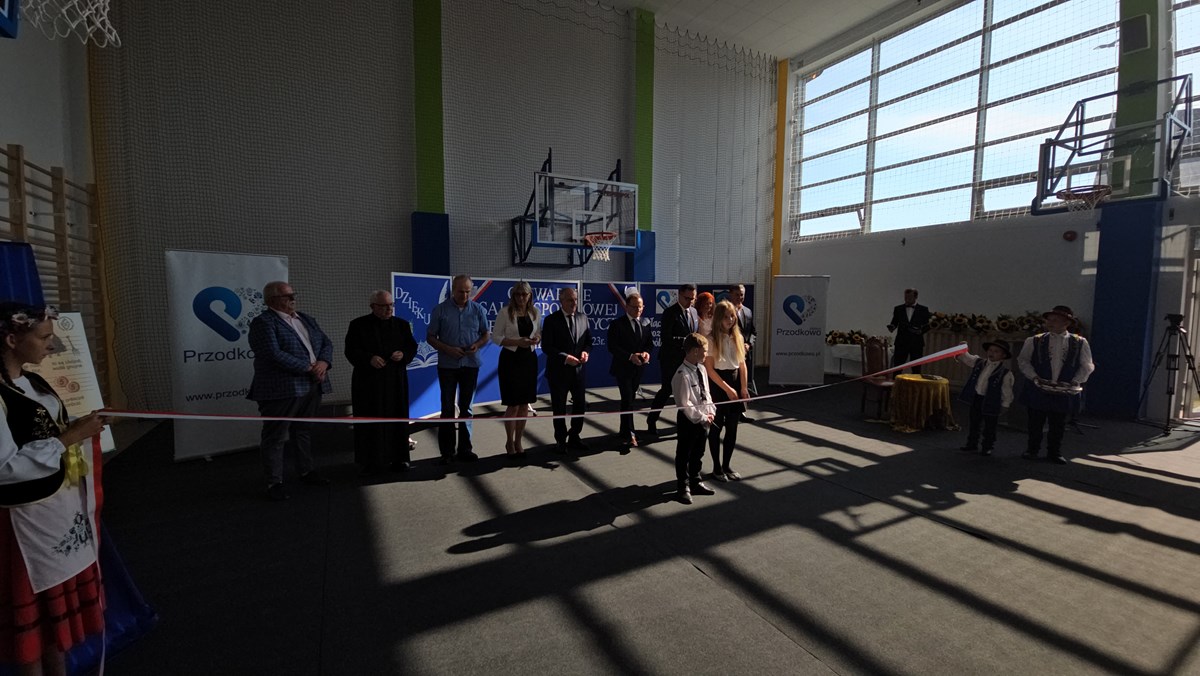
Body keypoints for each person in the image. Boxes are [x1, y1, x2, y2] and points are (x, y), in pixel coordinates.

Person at [0, 302, 108, 675]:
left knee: (50, 623)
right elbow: (4, 468)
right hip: (23, 523)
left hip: (55, 512)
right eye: (44, 337)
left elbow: (44, 428)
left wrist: (82, 425)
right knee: (31, 625)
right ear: (12, 340)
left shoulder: (34, 382)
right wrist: (69, 438)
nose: (52, 345)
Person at [247, 281, 334, 501]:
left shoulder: (306, 318)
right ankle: (274, 482)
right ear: (271, 300)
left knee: (303, 430)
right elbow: (272, 353)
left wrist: (323, 363)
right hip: (282, 389)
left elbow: (326, 343)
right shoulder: (263, 322)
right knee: (275, 436)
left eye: (293, 294)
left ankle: (306, 471)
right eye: (287, 296)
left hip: (312, 385)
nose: (293, 299)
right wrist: (309, 368)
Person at [344, 290, 418, 474]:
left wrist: (403, 354)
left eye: (391, 305)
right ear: (373, 307)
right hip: (368, 381)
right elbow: (351, 350)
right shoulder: (358, 325)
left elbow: (411, 347)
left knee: (397, 418)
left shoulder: (402, 325)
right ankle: (369, 461)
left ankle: (399, 458)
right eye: (384, 306)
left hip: (395, 380)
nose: (389, 309)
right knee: (370, 420)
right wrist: (369, 358)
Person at [1017, 305, 1095, 464]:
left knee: (1058, 423)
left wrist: (1076, 380)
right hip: (1039, 387)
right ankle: (1032, 449)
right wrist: (1034, 377)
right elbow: (1023, 361)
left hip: (1063, 390)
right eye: (1049, 320)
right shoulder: (1034, 340)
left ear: (1066, 323)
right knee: (1035, 422)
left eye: (1055, 320)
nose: (1050, 323)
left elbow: (1087, 365)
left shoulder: (1079, 342)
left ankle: (1054, 452)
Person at [426, 274, 490, 464]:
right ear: (453, 290)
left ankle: (465, 449)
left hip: (471, 364)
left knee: (466, 408)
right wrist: (447, 349)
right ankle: (447, 452)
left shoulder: (478, 310)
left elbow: (486, 334)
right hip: (448, 365)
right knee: (447, 408)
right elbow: (430, 337)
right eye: (461, 291)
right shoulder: (440, 310)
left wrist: (477, 345)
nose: (464, 295)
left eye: (468, 292)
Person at [492, 281, 541, 460]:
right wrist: (517, 342)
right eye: (518, 294)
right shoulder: (505, 312)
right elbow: (496, 337)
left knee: (524, 404)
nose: (521, 298)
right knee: (513, 405)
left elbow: (538, 332)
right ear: (513, 296)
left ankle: (519, 441)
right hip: (510, 360)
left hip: (529, 360)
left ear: (529, 296)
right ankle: (509, 442)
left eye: (524, 294)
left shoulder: (535, 312)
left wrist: (537, 338)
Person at [540, 286, 591, 456]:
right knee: (559, 408)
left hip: (578, 372)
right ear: (561, 301)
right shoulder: (551, 320)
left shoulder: (583, 318)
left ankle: (574, 436)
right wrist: (564, 357)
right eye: (570, 300)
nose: (573, 303)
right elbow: (547, 347)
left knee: (580, 406)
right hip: (558, 373)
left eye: (575, 299)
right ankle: (560, 440)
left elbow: (588, 342)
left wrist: (585, 352)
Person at [705, 300, 750, 482]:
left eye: (732, 316)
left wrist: (743, 387)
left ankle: (727, 465)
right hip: (718, 385)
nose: (730, 320)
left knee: (732, 428)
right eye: (726, 317)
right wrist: (727, 388)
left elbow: (742, 365)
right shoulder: (711, 339)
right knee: (716, 428)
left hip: (735, 381)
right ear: (718, 318)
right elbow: (709, 370)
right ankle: (716, 467)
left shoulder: (738, 337)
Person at [646, 283, 697, 436]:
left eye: (692, 299)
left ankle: (687, 422)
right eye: (687, 298)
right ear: (679, 295)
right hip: (671, 359)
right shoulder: (670, 313)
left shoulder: (694, 312)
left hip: (688, 360)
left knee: (688, 391)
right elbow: (665, 338)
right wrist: (686, 341)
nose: (690, 301)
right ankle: (652, 420)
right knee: (667, 390)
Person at [672, 333, 716, 505]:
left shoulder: (702, 369)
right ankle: (683, 487)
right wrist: (702, 416)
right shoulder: (682, 374)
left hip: (704, 419)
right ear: (695, 351)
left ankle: (695, 481)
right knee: (684, 453)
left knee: (699, 452)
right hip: (689, 421)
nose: (707, 354)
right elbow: (685, 404)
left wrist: (711, 411)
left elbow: (706, 394)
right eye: (705, 351)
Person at [608, 292, 652, 449]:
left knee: (629, 399)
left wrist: (646, 353)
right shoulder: (617, 324)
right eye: (634, 307)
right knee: (627, 398)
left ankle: (624, 429)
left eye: (640, 307)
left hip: (638, 368)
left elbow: (649, 343)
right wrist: (629, 356)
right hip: (623, 368)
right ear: (626, 307)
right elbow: (612, 346)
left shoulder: (646, 322)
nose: (638, 310)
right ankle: (630, 433)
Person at [954, 340, 1014, 456]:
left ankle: (987, 446)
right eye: (990, 350)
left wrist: (1005, 404)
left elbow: (1007, 391)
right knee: (974, 422)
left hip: (992, 401)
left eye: (996, 351)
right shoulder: (979, 362)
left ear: (1003, 356)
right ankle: (972, 443)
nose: (992, 353)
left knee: (990, 425)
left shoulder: (1005, 373)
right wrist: (962, 348)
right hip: (977, 398)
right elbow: (967, 358)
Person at [729, 283, 758, 421]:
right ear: (730, 294)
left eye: (742, 295)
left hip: (744, 354)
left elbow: (753, 332)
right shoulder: (724, 311)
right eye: (737, 295)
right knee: (732, 383)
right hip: (729, 355)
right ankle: (729, 412)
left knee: (743, 383)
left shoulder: (748, 311)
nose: (740, 297)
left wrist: (749, 344)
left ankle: (741, 412)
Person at [887, 288, 932, 374]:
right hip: (901, 342)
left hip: (916, 342)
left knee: (916, 368)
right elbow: (894, 322)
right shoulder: (898, 309)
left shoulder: (923, 309)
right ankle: (895, 382)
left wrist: (920, 331)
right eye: (905, 298)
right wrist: (892, 327)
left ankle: (915, 383)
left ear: (916, 297)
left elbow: (928, 325)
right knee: (897, 367)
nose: (907, 300)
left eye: (909, 298)